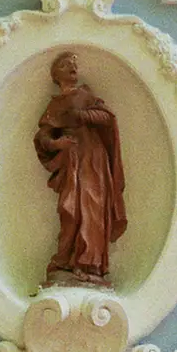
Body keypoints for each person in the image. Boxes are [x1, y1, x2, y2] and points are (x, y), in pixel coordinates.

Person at [34, 51, 127, 287]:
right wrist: (57, 143)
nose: (73, 67)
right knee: (69, 209)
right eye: (66, 65)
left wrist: (82, 116)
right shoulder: (54, 105)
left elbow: (108, 118)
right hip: (72, 161)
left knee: (92, 209)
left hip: (93, 161)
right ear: (56, 75)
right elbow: (42, 136)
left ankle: (89, 265)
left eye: (74, 64)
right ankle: (65, 261)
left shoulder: (86, 95)